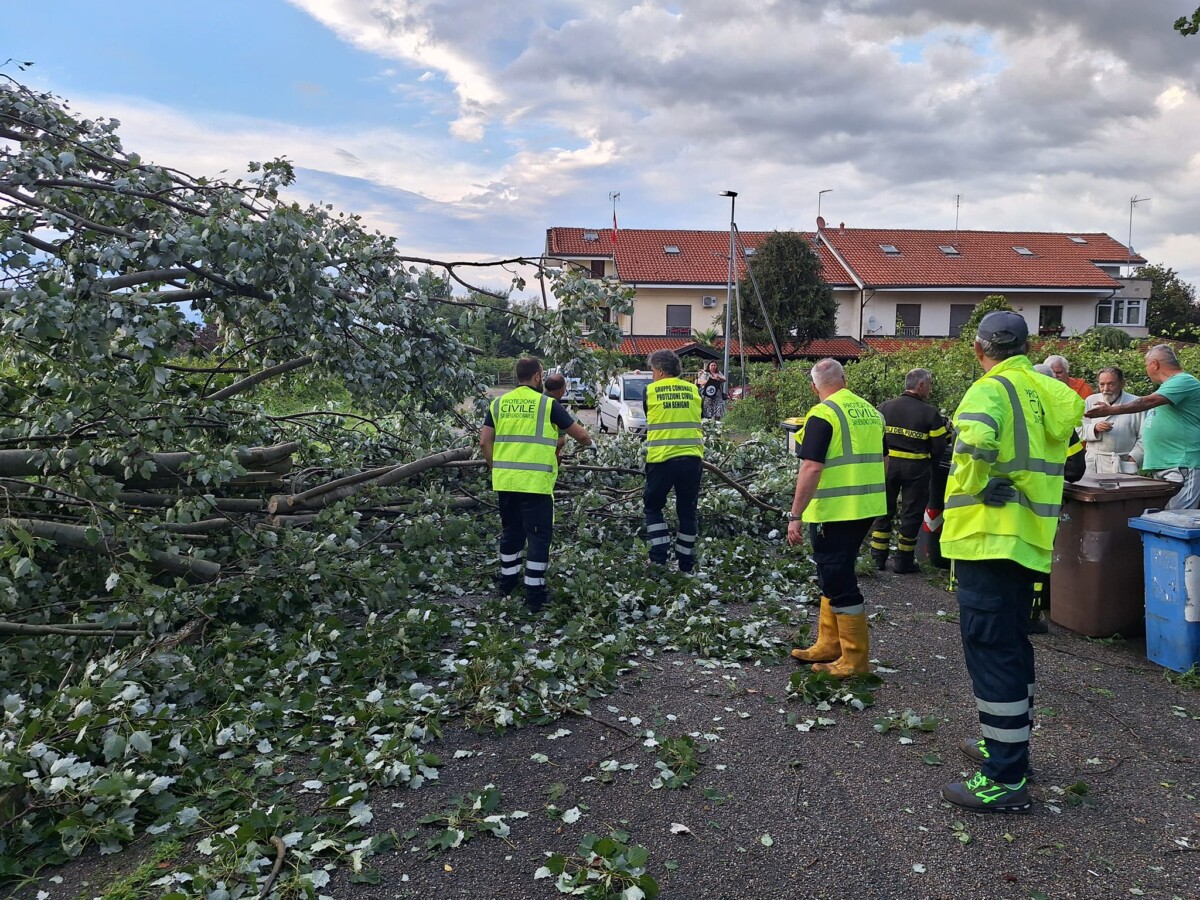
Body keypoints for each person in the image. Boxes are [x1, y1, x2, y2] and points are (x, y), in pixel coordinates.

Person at [940, 312, 1084, 812]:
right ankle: (1010, 748)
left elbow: (975, 441)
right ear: (1027, 345)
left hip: (989, 538)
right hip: (1030, 541)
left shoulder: (989, 389)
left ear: (980, 348)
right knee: (1013, 644)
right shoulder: (1052, 391)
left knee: (991, 646)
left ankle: (1004, 775)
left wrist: (978, 484)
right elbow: (1075, 456)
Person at [787, 358, 887, 677]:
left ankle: (854, 661)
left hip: (835, 512)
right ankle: (829, 644)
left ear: (814, 386)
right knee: (833, 574)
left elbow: (811, 467)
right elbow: (884, 460)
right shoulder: (872, 412)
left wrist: (795, 514)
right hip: (866, 508)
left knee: (839, 578)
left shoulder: (823, 414)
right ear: (844, 378)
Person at [479, 357, 593, 611]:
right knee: (539, 538)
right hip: (536, 484)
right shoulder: (547, 405)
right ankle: (535, 595)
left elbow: (484, 442)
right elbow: (582, 435)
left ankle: (507, 584)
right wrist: (590, 445)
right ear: (538, 377)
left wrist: (495, 467)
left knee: (511, 533)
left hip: (506, 482)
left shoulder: (499, 403)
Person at [1085, 345, 1200, 509]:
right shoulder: (1168, 386)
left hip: (1182, 464)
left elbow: (1147, 402)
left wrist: (1111, 410)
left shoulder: (1183, 381)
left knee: (1178, 519)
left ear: (1155, 364)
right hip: (1167, 465)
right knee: (1163, 520)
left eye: (1146, 365)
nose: (1146, 369)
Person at [870, 368, 947, 574]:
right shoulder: (930, 413)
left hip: (886, 466)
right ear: (920, 385)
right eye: (929, 385)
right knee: (911, 514)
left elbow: (874, 436)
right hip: (916, 470)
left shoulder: (884, 407)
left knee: (883, 510)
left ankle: (877, 558)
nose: (930, 390)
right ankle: (903, 562)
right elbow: (939, 446)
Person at [644, 349, 705, 572]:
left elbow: (650, 416)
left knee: (653, 507)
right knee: (687, 510)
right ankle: (685, 563)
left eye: (652, 370)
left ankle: (659, 558)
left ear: (659, 370)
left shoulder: (650, 391)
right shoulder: (693, 390)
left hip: (662, 458)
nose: (651, 374)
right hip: (691, 458)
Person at [1080, 366, 1145, 475]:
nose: (1105, 389)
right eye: (1102, 384)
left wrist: (1134, 457)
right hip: (1094, 461)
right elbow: (1078, 429)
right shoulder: (1090, 401)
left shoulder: (1135, 403)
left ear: (1122, 384)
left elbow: (1145, 436)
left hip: (1123, 462)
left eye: (1111, 384)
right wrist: (1094, 428)